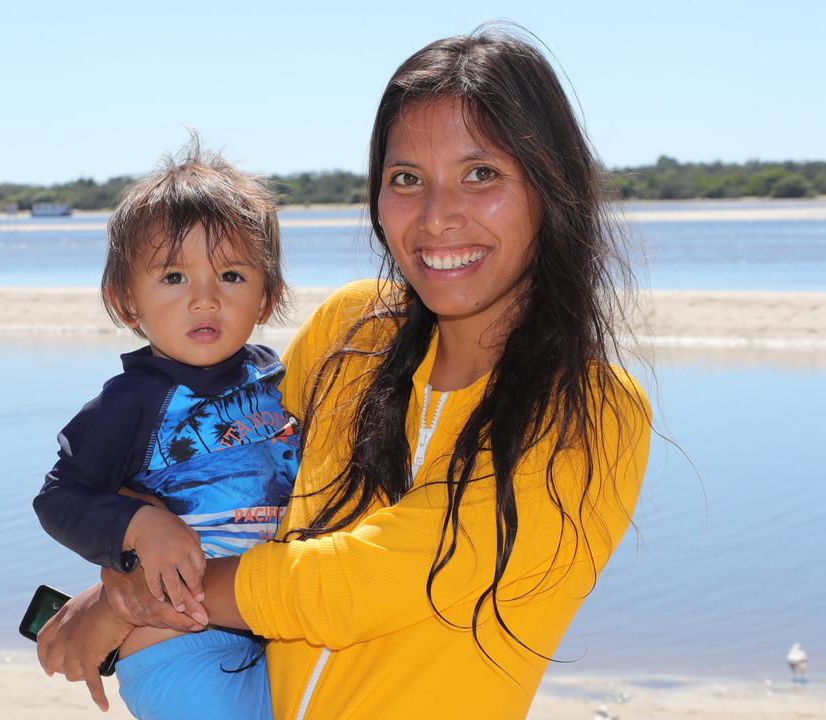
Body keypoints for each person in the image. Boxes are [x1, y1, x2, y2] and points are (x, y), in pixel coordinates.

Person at [39, 26, 652, 719]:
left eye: (481, 173)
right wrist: (130, 550)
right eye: (406, 179)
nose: (437, 215)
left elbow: (349, 586)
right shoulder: (352, 333)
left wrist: (139, 600)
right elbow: (219, 461)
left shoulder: (589, 410)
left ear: (552, 189)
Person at [32, 139, 299, 719]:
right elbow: (59, 497)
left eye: (231, 274)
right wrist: (137, 524)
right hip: (178, 648)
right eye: (174, 277)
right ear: (126, 299)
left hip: (278, 630)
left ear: (268, 294)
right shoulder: (133, 401)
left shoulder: (278, 381)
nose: (204, 299)